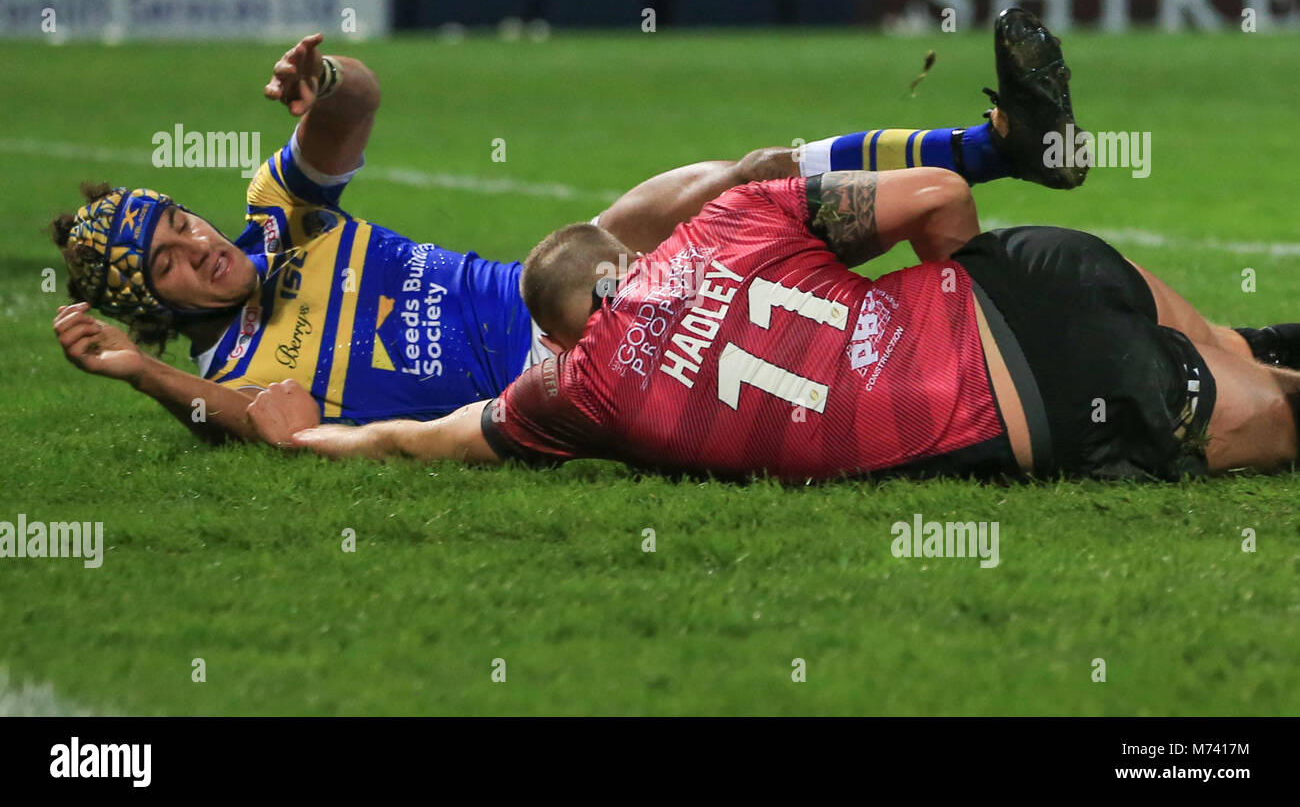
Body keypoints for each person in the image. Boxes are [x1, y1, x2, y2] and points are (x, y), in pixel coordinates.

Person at [50, 10, 1083, 443]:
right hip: (571, 361)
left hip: (554, 273)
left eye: (181, 222)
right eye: (171, 263)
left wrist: (323, 81)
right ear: (154, 304)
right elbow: (276, 429)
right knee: (758, 211)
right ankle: (990, 195)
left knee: (755, 173)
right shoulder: (232, 371)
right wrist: (148, 377)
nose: (201, 245)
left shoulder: (283, 221)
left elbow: (357, 106)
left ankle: (1002, 144)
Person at [247, 164, 1300, 482]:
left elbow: (416, 437)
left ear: (564, 336)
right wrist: (967, 297)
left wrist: (302, 433)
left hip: (1042, 403)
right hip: (1037, 268)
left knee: (1260, 419)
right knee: (1235, 352)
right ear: (630, 260)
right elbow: (937, 192)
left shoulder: (574, 393)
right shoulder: (725, 221)